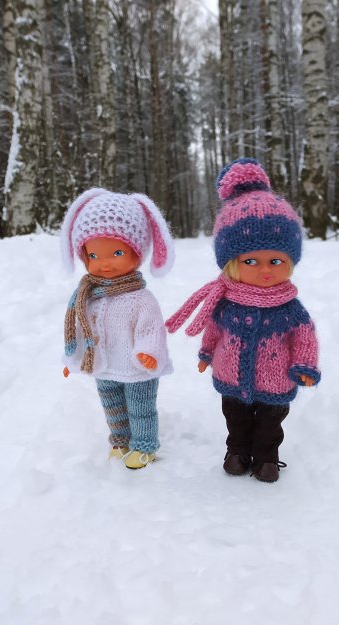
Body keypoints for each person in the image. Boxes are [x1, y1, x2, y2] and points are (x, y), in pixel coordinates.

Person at [166, 158, 320, 483]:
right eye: (251, 261)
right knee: (235, 418)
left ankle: (266, 458)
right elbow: (214, 328)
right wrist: (207, 353)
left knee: (269, 421)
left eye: (275, 261)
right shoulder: (226, 301)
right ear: (232, 263)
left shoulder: (289, 307)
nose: (265, 270)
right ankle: (236, 452)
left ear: (290, 262)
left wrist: (304, 365)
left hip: (276, 378)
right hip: (231, 374)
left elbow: (304, 336)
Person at [60, 188, 174, 469]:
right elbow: (79, 329)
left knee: (140, 407)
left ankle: (144, 445)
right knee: (112, 405)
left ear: (137, 253)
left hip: (137, 367)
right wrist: (73, 358)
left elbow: (152, 329)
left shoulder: (140, 299)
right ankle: (120, 440)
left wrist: (148, 352)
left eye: (117, 252)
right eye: (93, 256)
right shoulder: (88, 294)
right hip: (102, 364)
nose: (104, 263)